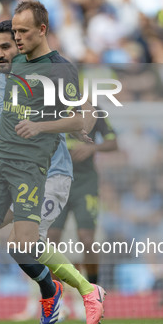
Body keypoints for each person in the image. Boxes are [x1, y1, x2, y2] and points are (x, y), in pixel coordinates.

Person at [0, 1, 104, 324]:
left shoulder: (56, 69)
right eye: (8, 38)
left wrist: (64, 124)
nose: (8, 47)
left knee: (25, 245)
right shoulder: (11, 70)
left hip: (39, 170)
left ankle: (84, 288)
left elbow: (86, 113)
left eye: (18, 35)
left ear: (40, 31)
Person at [48, 111, 118, 287]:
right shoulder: (49, 107)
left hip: (85, 183)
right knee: (50, 239)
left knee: (87, 239)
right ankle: (55, 295)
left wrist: (92, 148)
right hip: (55, 181)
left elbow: (113, 143)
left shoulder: (94, 110)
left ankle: (92, 290)